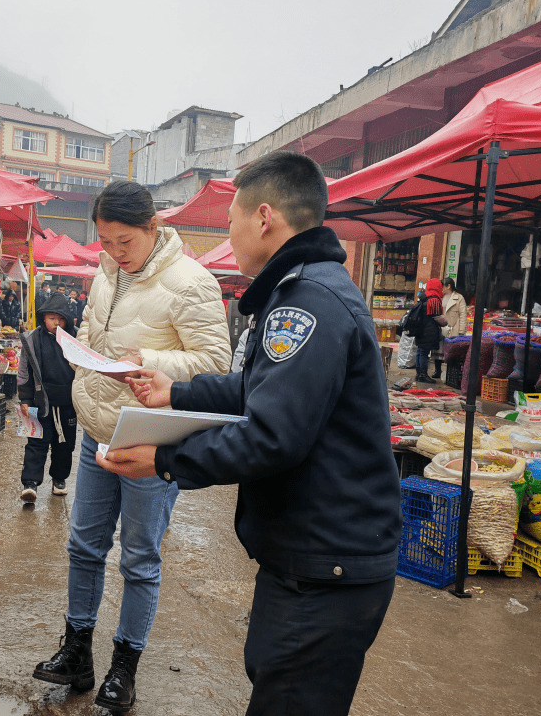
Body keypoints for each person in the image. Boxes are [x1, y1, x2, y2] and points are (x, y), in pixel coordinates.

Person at [99, 151, 402, 716]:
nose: (228, 234)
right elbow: (256, 388)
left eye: (231, 220)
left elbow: (270, 435)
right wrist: (177, 393)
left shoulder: (308, 301)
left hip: (327, 565)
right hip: (310, 558)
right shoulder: (302, 288)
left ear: (264, 217)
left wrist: (165, 461)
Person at [32, 180, 231, 712]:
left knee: (140, 557)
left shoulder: (192, 282)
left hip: (150, 437)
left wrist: (151, 364)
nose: (115, 253)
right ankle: (77, 650)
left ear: (154, 228)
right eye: (106, 242)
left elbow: (216, 365)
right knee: (83, 545)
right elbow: (100, 339)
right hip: (98, 428)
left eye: (125, 242)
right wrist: (84, 355)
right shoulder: (106, 273)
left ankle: (125, 665)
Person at [17, 292, 78, 502]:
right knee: (36, 442)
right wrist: (25, 399)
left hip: (67, 403)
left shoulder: (75, 337)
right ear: (44, 318)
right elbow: (24, 371)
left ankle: (59, 479)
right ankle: (30, 483)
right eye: (52, 318)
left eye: (61, 319)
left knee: (65, 444)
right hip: (40, 401)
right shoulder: (33, 339)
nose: (57, 322)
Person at [414, 279, 447, 384]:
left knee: (419, 351)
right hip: (429, 331)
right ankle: (423, 375)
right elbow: (437, 317)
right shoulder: (434, 300)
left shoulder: (423, 297)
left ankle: (419, 374)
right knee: (424, 352)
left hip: (420, 329)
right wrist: (445, 323)